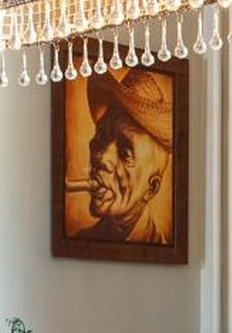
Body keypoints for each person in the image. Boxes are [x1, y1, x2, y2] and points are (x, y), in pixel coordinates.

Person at [75, 67, 175, 244]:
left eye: (125, 153)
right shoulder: (81, 240)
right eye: (101, 137)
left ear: (151, 188)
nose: (102, 157)